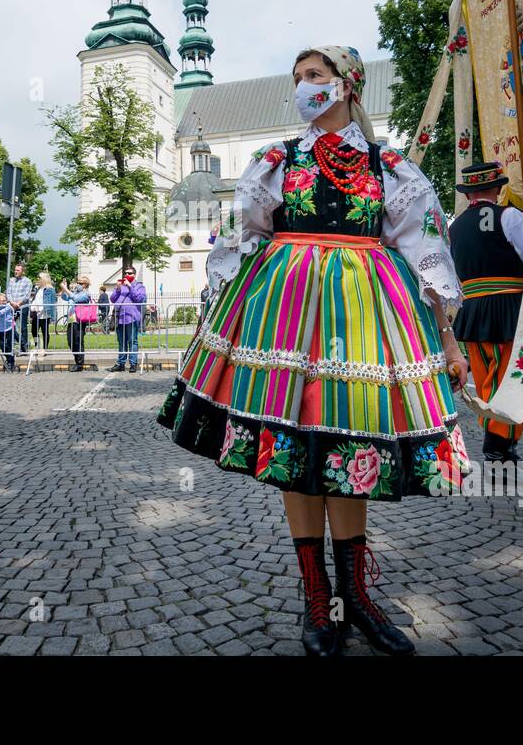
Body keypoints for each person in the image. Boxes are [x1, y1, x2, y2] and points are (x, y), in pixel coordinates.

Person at [158, 45, 467, 658]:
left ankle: (354, 596)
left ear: (347, 86)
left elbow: (424, 252)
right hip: (284, 314)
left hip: (364, 313)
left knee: (350, 443)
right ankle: (317, 599)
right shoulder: (276, 160)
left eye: (316, 77)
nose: (305, 87)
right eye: (299, 79)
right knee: (293, 445)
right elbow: (239, 238)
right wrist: (215, 320)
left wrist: (448, 338)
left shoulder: (391, 165)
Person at [448, 160, 523, 475]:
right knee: (516, 378)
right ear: (498, 188)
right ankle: (500, 449)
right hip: (509, 307)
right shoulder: (510, 216)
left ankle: (498, 447)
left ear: (468, 193)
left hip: (474, 309)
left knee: (488, 378)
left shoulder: (455, 226)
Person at [109, 267, 146, 372]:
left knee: (132, 341)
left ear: (134, 274)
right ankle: (121, 363)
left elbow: (139, 298)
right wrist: (117, 289)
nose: (126, 275)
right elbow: (112, 299)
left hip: (132, 318)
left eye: (129, 273)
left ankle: (133, 364)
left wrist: (130, 287)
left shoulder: (140, 286)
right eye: (125, 273)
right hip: (120, 317)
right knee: (121, 342)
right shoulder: (122, 286)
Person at [59, 276, 95, 371]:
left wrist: (66, 289)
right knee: (70, 341)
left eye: (81, 283)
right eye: (78, 282)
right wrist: (63, 289)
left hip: (80, 320)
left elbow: (75, 298)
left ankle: (79, 364)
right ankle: (77, 360)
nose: (78, 284)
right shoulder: (74, 292)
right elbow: (64, 297)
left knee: (78, 341)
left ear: (85, 285)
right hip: (71, 319)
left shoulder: (86, 294)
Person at [5, 262, 32, 364]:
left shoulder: (27, 281)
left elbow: (27, 295)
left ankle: (24, 347)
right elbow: (8, 292)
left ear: (22, 271)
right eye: (15, 270)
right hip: (12, 306)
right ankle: (15, 344)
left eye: (18, 270)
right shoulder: (11, 280)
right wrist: (12, 302)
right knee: (11, 326)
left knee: (23, 327)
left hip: (22, 306)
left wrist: (19, 303)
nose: (16, 272)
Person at [29, 271, 56, 354]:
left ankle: (44, 349)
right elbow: (35, 299)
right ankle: (38, 346)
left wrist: (41, 309)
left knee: (45, 331)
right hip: (36, 313)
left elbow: (49, 302)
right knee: (34, 331)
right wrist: (33, 307)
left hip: (44, 313)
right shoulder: (38, 289)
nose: (38, 279)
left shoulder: (49, 289)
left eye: (40, 278)